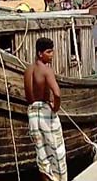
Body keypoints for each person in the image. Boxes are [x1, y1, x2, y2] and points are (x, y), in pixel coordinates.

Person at [24, 38, 67, 181]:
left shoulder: (28, 70)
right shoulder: (46, 70)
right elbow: (57, 93)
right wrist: (55, 108)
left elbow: (28, 96)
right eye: (49, 52)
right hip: (45, 114)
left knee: (42, 156)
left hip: (32, 115)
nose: (52, 54)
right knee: (56, 152)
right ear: (39, 53)